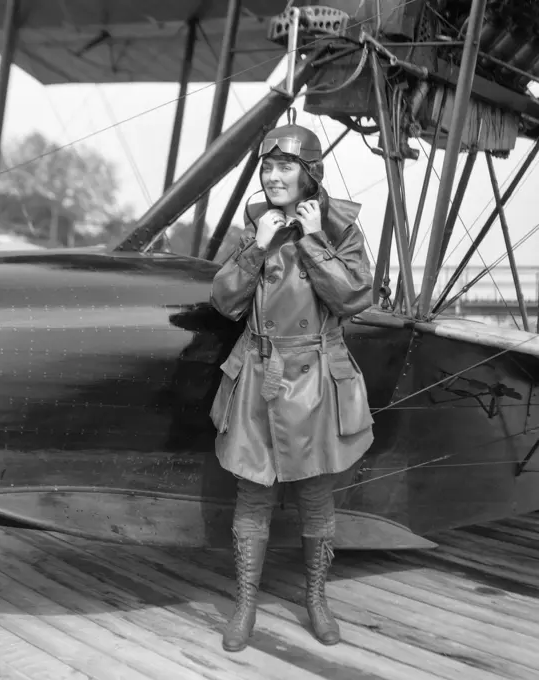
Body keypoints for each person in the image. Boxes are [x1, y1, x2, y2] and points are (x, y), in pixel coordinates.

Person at [209, 121, 374, 653]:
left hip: (315, 377)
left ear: (309, 174)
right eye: (268, 167)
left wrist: (315, 240)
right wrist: (256, 248)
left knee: (316, 493)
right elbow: (225, 302)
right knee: (252, 492)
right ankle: (245, 604)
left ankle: (318, 600)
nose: (274, 177)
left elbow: (353, 298)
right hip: (260, 374)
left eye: (285, 167)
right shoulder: (255, 227)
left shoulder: (341, 228)